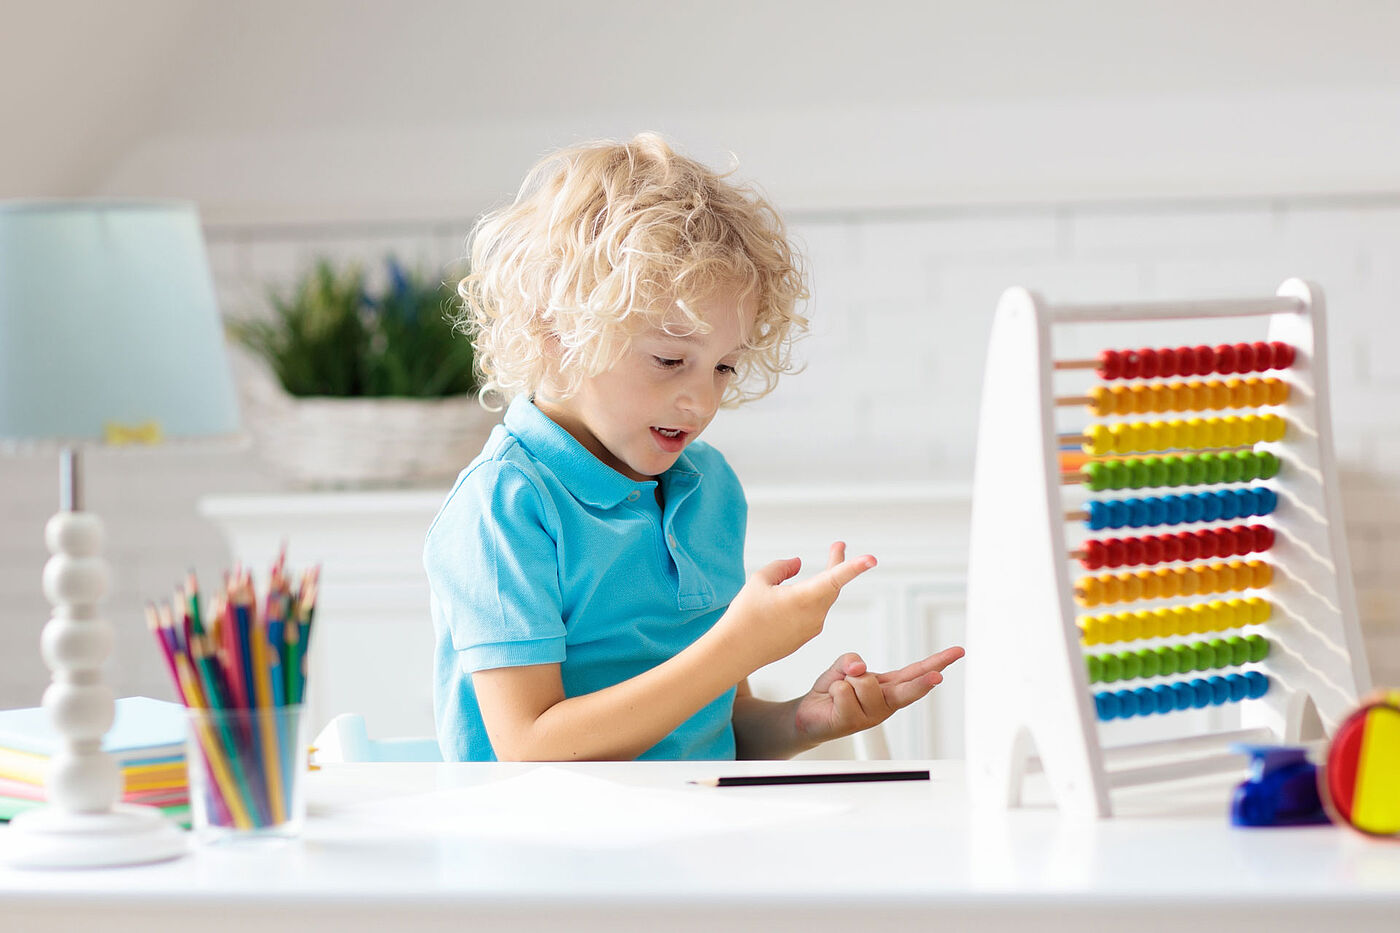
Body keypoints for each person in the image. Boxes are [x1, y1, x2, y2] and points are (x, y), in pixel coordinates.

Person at [425, 133, 963, 761]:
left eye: (724, 368)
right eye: (670, 359)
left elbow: (714, 727)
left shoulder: (707, 488)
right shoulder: (505, 505)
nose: (702, 402)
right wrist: (737, 646)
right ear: (556, 333)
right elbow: (528, 748)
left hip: (695, 839)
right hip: (554, 852)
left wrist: (803, 722)